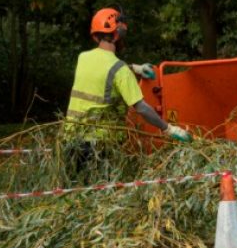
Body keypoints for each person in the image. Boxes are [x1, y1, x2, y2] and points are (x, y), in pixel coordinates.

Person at [66, 8, 190, 164]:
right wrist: (168, 129)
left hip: (72, 138)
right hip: (99, 144)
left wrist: (134, 68)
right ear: (117, 35)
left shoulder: (83, 58)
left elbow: (102, 71)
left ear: (96, 36)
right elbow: (142, 108)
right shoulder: (120, 70)